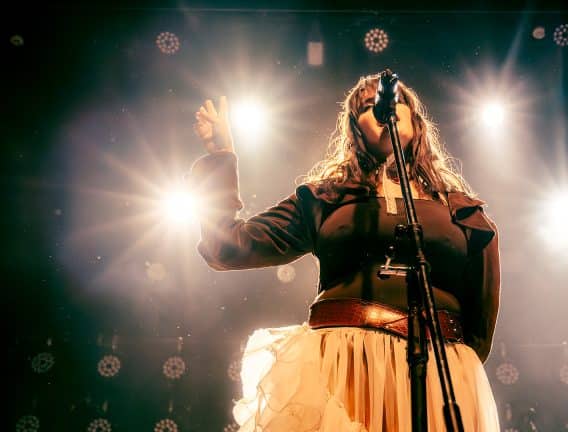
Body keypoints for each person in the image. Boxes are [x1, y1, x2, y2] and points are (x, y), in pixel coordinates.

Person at [189, 73, 501, 431]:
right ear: (355, 127)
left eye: (398, 103)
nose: (387, 111)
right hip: (345, 364)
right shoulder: (325, 199)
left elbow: (481, 318)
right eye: (370, 107)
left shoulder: (461, 212)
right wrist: (220, 157)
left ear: (416, 121)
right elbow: (227, 248)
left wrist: (457, 366)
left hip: (439, 367)